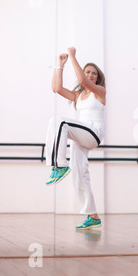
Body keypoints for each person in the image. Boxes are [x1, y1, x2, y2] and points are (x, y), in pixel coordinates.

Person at [45, 47, 106, 230]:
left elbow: (81, 80)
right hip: (82, 135)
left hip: (93, 132)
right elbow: (56, 88)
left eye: (94, 73)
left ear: (97, 77)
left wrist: (72, 56)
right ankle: (92, 215)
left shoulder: (99, 91)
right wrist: (60, 65)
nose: (90, 75)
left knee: (58, 122)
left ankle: (59, 164)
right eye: (88, 72)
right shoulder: (79, 96)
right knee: (79, 173)